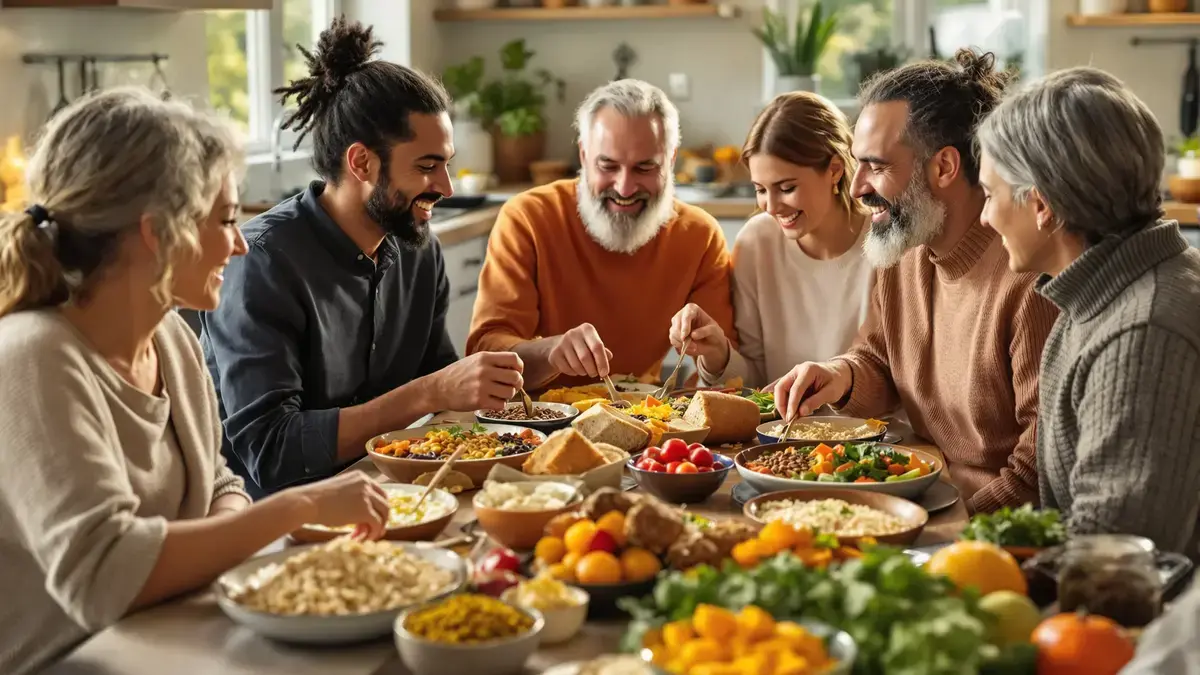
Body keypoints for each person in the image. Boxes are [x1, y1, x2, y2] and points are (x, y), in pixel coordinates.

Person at [0, 88, 391, 675]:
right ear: (158, 232)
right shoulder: (34, 358)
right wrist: (299, 506)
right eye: (227, 219)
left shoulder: (171, 338)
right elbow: (102, 577)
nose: (239, 244)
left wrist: (235, 523)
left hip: (171, 637)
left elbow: (216, 482)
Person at [201, 18, 524, 497]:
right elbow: (271, 453)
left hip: (392, 491)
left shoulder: (419, 250)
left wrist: (521, 366)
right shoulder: (261, 262)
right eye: (427, 166)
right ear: (361, 163)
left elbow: (444, 390)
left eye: (447, 163)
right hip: (277, 521)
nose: (446, 187)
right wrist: (431, 391)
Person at [773, 50, 1059, 513]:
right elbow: (882, 358)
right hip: (918, 497)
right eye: (856, 164)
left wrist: (944, 533)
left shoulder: (1027, 278)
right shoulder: (905, 250)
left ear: (944, 167)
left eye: (877, 166)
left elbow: (1039, 469)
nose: (856, 188)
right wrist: (840, 375)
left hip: (977, 527)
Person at [976, 67, 1200, 553]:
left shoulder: (1142, 335)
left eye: (990, 195)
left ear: (1042, 206)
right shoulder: (1098, 293)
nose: (985, 216)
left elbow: (1111, 553)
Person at [466, 79, 735, 390]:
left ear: (671, 161)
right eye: (608, 165)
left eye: (645, 168)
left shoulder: (699, 235)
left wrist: (710, 367)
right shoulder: (527, 218)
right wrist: (552, 351)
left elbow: (720, 367)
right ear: (583, 156)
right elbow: (484, 352)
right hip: (534, 421)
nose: (624, 188)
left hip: (642, 418)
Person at [669, 92, 873, 389]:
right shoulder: (757, 242)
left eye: (787, 187)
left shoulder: (884, 243)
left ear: (835, 169)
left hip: (875, 433)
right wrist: (718, 354)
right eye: (760, 189)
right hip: (778, 433)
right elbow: (754, 380)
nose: (772, 206)